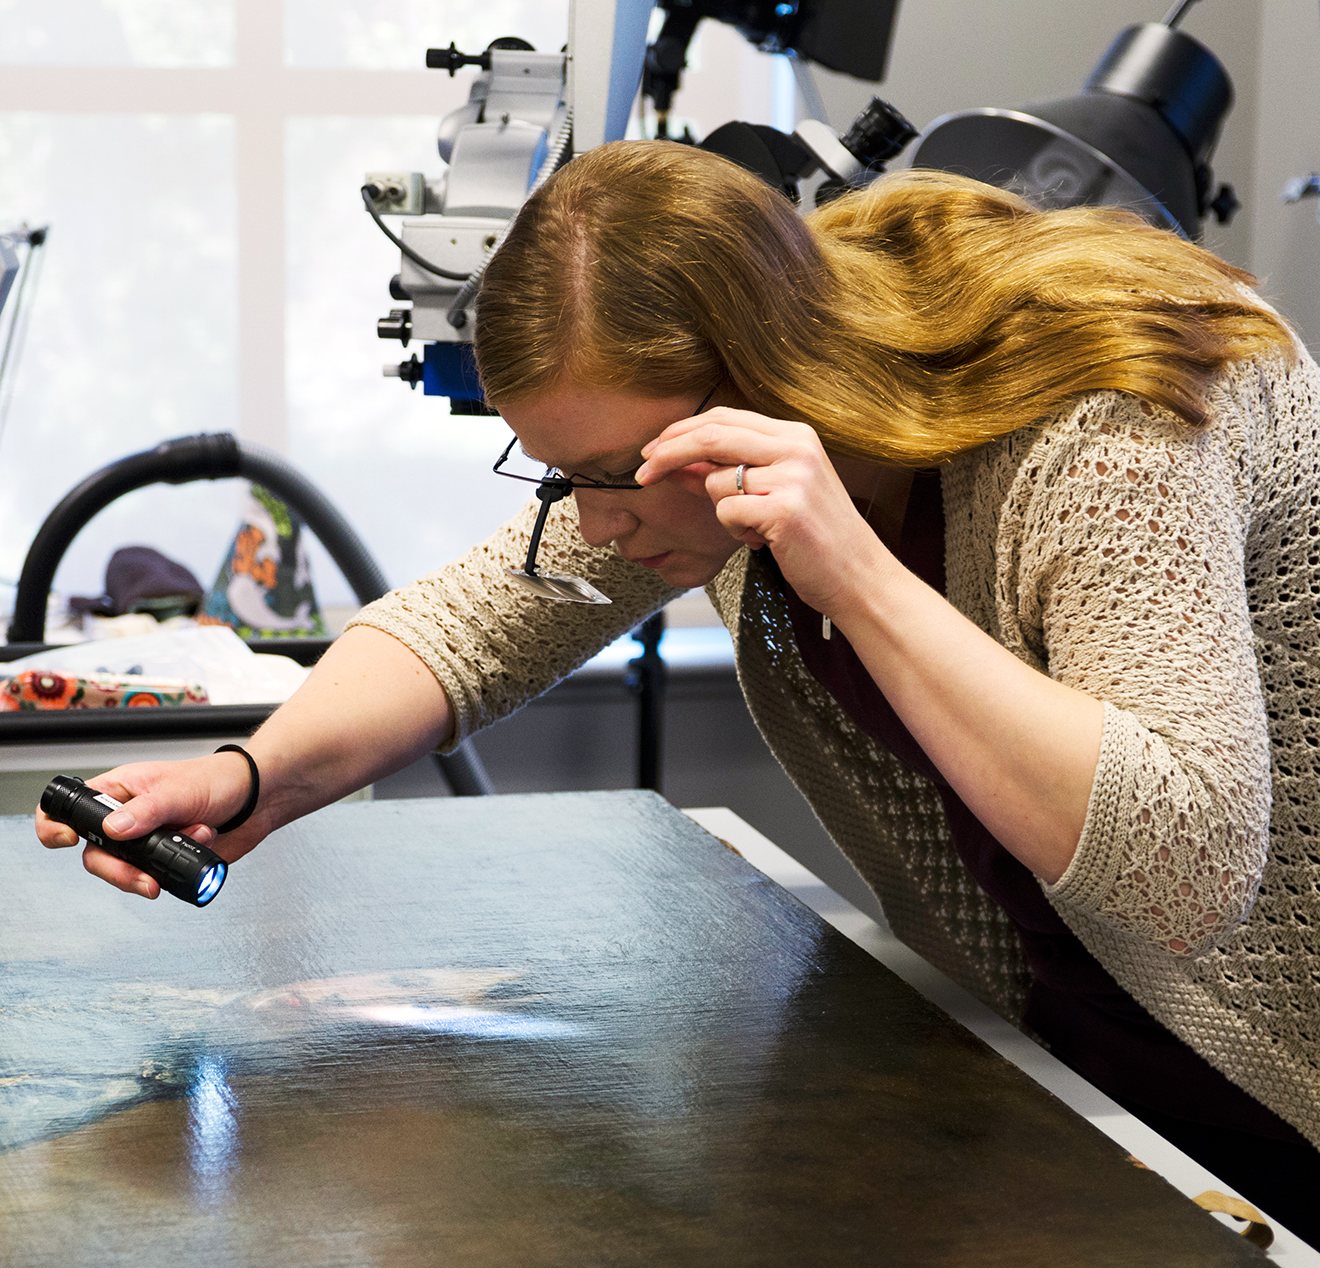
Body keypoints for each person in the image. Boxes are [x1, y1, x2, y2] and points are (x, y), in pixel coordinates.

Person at [36, 141, 1320, 1240]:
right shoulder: (707, 442)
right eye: (557, 476)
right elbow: (483, 614)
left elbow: (1187, 867)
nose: (592, 525)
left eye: (610, 472)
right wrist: (256, 772)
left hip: (1281, 1066)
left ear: (774, 387)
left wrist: (859, 577)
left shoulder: (1105, 420)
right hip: (1077, 1058)